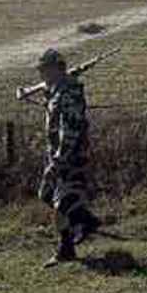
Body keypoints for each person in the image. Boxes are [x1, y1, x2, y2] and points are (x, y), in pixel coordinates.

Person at [35, 48, 101, 268]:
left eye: (44, 69)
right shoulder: (56, 90)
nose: (41, 74)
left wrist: (58, 160)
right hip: (57, 153)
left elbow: (70, 130)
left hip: (69, 156)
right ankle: (85, 220)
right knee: (47, 194)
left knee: (61, 204)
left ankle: (66, 249)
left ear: (56, 68)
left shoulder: (69, 93)